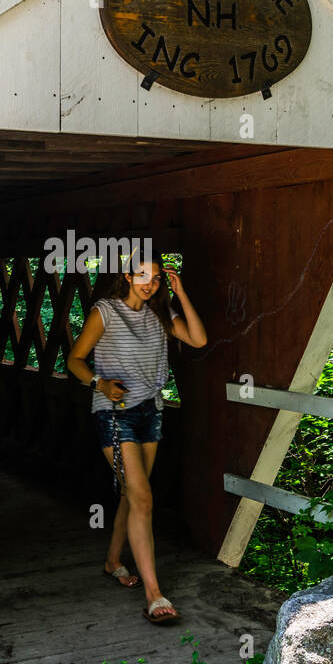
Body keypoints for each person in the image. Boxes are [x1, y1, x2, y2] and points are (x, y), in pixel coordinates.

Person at [66, 253, 207, 624]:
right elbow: (74, 360)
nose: (150, 283)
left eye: (157, 278)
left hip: (151, 411)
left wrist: (180, 293)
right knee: (143, 498)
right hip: (114, 412)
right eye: (143, 275)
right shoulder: (105, 312)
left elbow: (197, 338)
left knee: (134, 494)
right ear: (127, 275)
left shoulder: (161, 314)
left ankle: (113, 560)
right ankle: (154, 594)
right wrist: (100, 383)